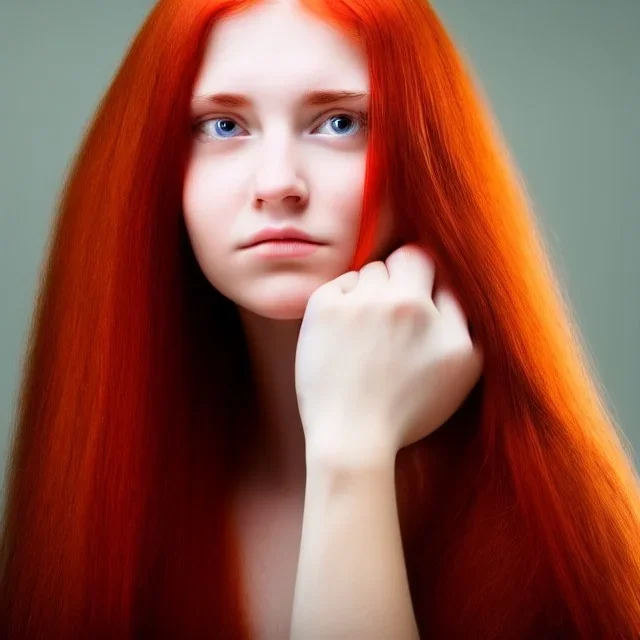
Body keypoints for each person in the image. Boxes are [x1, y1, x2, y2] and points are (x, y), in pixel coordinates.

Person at [1, 0, 639, 637]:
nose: (278, 183)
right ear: (159, 169)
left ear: (425, 148)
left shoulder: (545, 527)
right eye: (223, 126)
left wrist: (351, 455)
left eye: (339, 122)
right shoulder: (103, 492)